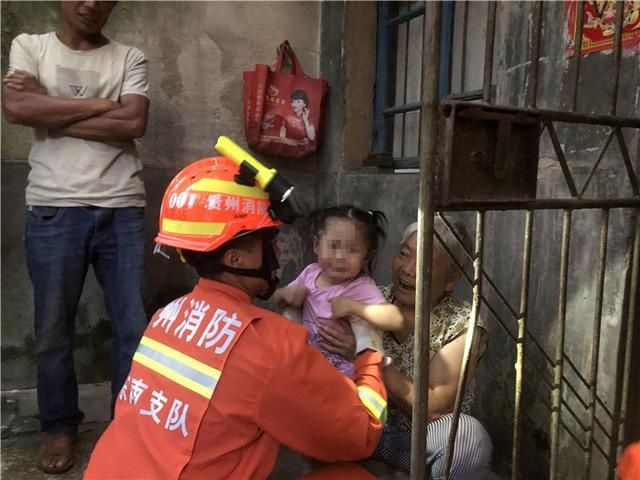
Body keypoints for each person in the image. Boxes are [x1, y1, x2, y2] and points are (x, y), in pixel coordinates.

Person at [84, 157, 388, 479]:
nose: (279, 254)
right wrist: (368, 349)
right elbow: (361, 434)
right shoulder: (270, 344)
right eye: (269, 241)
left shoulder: (165, 316)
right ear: (234, 258)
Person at [1, 1, 150, 474]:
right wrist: (101, 104)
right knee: (51, 331)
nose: (90, 3)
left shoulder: (130, 57)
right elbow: (16, 107)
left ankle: (126, 425)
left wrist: (50, 110)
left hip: (122, 207)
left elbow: (134, 123)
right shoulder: (30, 46)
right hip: (52, 206)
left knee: (132, 328)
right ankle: (59, 427)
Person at [320, 219, 492, 478]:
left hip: (422, 440)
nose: (408, 270)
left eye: (425, 263)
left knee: (467, 436)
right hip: (363, 427)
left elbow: (434, 407)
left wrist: (366, 358)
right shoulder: (370, 300)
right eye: (404, 254)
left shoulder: (462, 323)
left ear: (451, 279)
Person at [273, 206, 403, 377]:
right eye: (333, 246)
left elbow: (395, 319)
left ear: (367, 257)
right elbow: (276, 300)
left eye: (353, 250)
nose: (341, 256)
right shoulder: (310, 273)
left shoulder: (360, 286)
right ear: (317, 246)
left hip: (344, 376)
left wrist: (354, 307)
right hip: (308, 367)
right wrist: (286, 294)